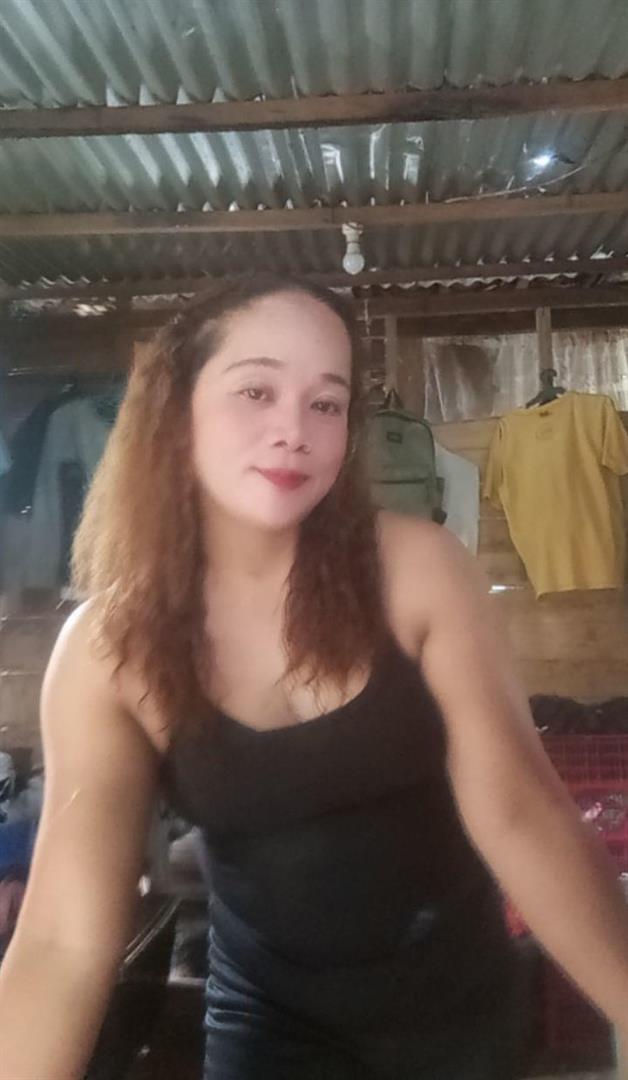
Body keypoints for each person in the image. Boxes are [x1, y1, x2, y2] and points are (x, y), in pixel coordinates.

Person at [1, 274, 628, 1080]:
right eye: (256, 391)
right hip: (268, 1028)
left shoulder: (417, 570)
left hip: (459, 1012)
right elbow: (61, 941)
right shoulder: (108, 650)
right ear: (176, 410)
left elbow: (521, 814)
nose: (294, 430)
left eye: (326, 403)